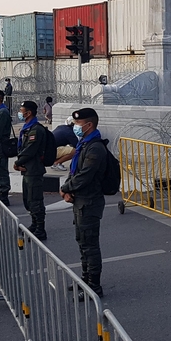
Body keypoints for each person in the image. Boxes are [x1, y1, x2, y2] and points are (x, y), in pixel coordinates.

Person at [59, 108, 108, 299]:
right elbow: (76, 171)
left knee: (90, 245)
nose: (75, 127)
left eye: (78, 124)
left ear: (89, 125)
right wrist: (70, 190)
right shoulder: (84, 144)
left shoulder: (94, 147)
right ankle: (85, 279)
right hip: (81, 200)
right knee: (82, 242)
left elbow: (84, 176)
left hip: (90, 201)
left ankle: (94, 286)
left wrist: (66, 187)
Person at [14, 100, 48, 241]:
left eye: (22, 111)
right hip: (28, 169)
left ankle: (40, 228)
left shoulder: (35, 129)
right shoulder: (28, 128)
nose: (20, 113)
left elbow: (30, 150)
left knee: (35, 200)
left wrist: (18, 162)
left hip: (34, 169)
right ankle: (34, 224)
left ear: (28, 113)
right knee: (28, 199)